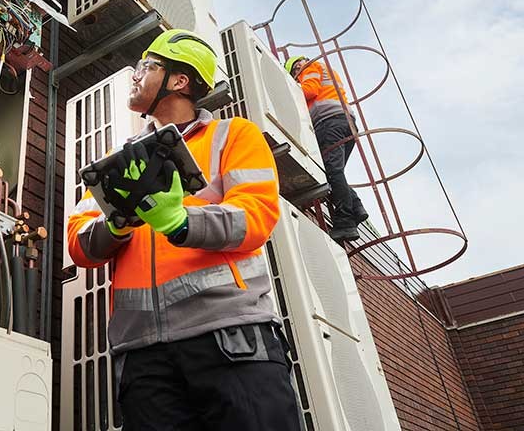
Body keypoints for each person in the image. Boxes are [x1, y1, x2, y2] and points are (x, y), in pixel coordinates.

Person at [68, 30, 300, 431]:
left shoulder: (233, 135)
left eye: (147, 66)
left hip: (229, 336)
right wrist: (119, 222)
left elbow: (256, 216)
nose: (135, 75)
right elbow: (79, 244)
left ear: (179, 81)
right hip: (143, 354)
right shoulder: (117, 160)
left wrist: (181, 223)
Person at [284, 55, 369, 241]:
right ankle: (356, 205)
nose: (297, 78)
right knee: (334, 170)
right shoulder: (323, 69)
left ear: (297, 67)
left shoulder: (309, 67)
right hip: (344, 122)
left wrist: (286, 92)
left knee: (331, 171)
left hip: (329, 122)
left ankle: (346, 222)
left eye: (294, 75)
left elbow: (309, 90)